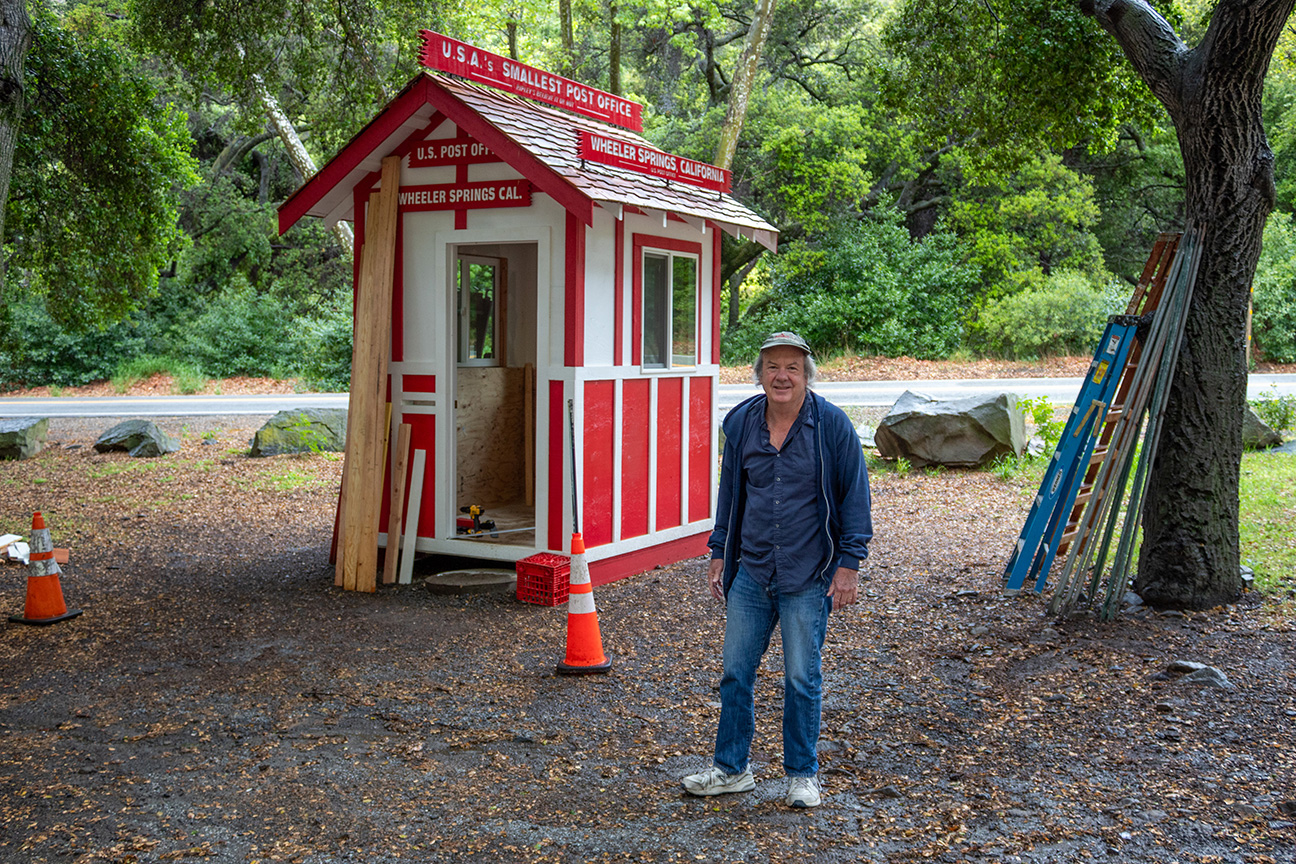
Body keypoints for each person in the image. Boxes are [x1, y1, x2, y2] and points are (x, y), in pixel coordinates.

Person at [682, 331, 873, 809]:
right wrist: (719, 549)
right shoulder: (742, 423)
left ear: (807, 375)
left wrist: (849, 564)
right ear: (759, 374)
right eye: (772, 366)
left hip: (808, 574)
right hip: (752, 571)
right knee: (735, 674)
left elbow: (856, 496)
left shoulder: (831, 425)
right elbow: (730, 493)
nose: (781, 376)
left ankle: (802, 775)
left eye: (792, 367)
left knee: (802, 679)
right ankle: (732, 769)